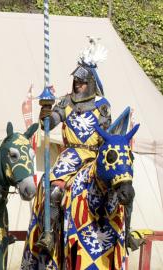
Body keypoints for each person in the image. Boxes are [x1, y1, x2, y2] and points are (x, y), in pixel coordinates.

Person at [35, 40, 111, 252]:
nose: (78, 84)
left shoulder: (102, 106)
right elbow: (48, 123)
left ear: (91, 84)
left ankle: (125, 232)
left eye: (82, 82)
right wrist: (46, 111)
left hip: (95, 155)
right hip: (71, 155)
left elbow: (107, 134)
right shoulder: (66, 102)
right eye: (76, 81)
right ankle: (49, 234)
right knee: (53, 187)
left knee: (120, 183)